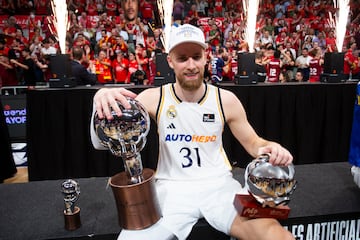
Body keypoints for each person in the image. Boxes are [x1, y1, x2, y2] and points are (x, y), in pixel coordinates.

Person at [91, 24, 295, 240]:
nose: (191, 65)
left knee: (277, 236)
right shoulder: (154, 97)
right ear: (170, 61)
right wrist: (99, 102)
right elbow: (99, 142)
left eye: (196, 57)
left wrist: (270, 147)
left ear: (206, 58)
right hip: (171, 190)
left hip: (220, 187)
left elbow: (254, 143)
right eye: (182, 58)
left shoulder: (225, 99)